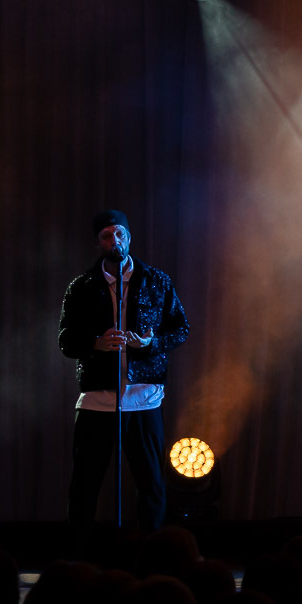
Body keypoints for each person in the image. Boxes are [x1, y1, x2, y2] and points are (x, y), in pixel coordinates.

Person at [57, 209, 190, 530]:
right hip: (98, 400)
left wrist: (150, 343)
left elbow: (181, 329)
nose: (114, 240)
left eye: (120, 234)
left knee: (151, 485)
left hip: (143, 398)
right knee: (84, 486)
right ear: (97, 242)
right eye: (107, 235)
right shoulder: (81, 287)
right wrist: (96, 343)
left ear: (129, 237)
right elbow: (66, 341)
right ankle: (79, 554)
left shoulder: (157, 281)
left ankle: (149, 553)